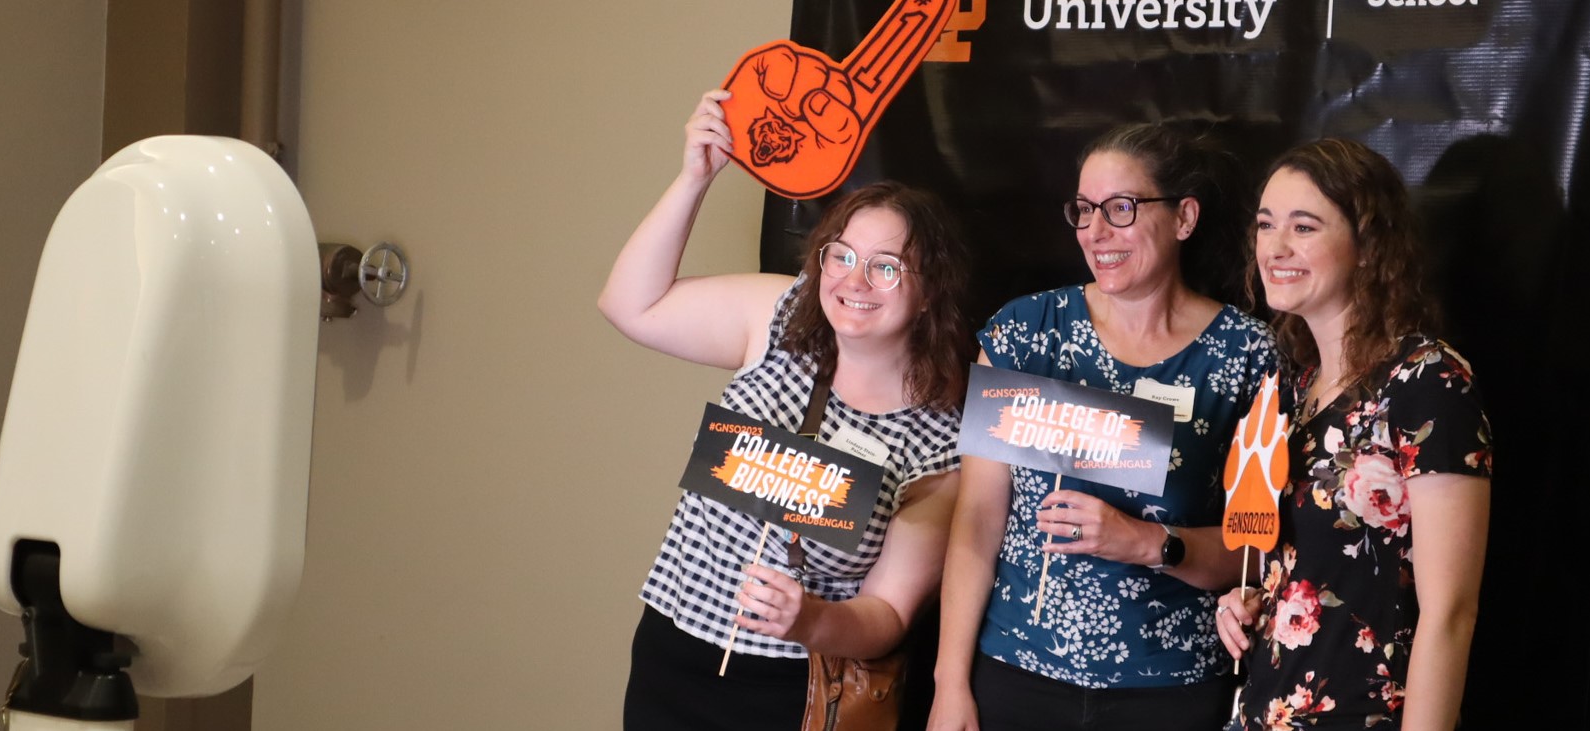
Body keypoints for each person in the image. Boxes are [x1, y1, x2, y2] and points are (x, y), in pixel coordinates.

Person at [602, 89, 974, 731]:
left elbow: (887, 615)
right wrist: (696, 177)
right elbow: (628, 305)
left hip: (792, 688)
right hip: (672, 649)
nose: (854, 282)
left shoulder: (940, 436)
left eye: (887, 268)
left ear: (929, 291)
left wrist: (809, 621)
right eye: (843, 256)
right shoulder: (781, 316)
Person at [931, 124, 1277, 731]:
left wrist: (1146, 542)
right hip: (1016, 672)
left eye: (1121, 208)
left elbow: (1254, 548)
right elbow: (978, 517)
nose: (1095, 231)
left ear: (1184, 218)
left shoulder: (1247, 354)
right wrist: (950, 682)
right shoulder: (1023, 333)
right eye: (1085, 210)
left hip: (1173, 686)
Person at [1214, 139, 1493, 731]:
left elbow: (1451, 612)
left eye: (1304, 227)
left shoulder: (1427, 381)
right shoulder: (1294, 387)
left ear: (1368, 247)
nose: (1276, 248)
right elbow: (1319, 563)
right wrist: (1256, 602)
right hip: (1265, 713)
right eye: (1266, 226)